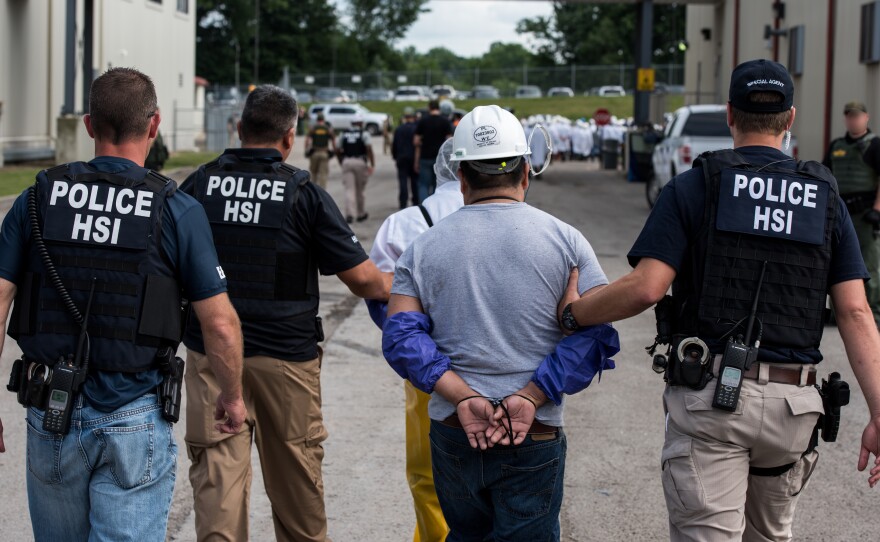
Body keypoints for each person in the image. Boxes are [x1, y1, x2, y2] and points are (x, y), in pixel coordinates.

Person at [565, 59, 880, 541]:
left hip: (713, 400)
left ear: (730, 115)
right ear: (789, 119)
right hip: (793, 409)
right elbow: (855, 311)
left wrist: (575, 312)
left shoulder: (696, 186)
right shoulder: (824, 198)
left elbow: (647, 287)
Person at [0, 67, 246, 541]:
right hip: (133, 414)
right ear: (153, 126)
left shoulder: (37, 199)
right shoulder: (176, 209)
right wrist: (232, 396)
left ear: (90, 125)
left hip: (51, 409)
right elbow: (219, 324)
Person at [382, 105, 619, 541]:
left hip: (456, 429)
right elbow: (597, 336)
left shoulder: (422, 248)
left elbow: (400, 337)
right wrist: (531, 395)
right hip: (535, 431)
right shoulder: (567, 242)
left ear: (463, 179)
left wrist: (461, 394)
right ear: (526, 173)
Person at [179, 85, 392, 542]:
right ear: (290, 137)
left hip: (212, 361)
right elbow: (365, 281)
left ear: (240, 129)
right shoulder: (303, 194)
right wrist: (409, 286)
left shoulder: (198, 185)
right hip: (286, 363)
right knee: (300, 509)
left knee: (217, 502)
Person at [367, 139, 464, 542]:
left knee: (428, 475)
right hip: (507, 369)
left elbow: (380, 300)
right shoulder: (525, 221)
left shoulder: (404, 223)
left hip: (428, 371)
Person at [824, 101, 880, 327]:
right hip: (842, 214)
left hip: (866, 214)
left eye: (856, 116)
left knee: (869, 265)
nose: (852, 120)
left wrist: (877, 209)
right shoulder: (837, 145)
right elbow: (825, 174)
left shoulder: (874, 145)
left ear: (866, 118)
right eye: (849, 116)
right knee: (838, 265)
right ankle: (839, 314)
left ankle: (874, 314)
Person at [413, 100, 453, 203]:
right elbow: (450, 141)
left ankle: (424, 208)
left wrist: (416, 160)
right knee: (437, 185)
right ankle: (435, 206)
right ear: (439, 108)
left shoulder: (423, 121)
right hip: (440, 159)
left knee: (423, 184)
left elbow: (416, 141)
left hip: (425, 157)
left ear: (429, 107)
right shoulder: (445, 121)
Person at [336, 115, 375, 223]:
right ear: (360, 123)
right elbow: (369, 148)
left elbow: (338, 148)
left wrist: (341, 160)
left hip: (347, 161)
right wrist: (372, 164)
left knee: (349, 189)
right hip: (360, 161)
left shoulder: (343, 134)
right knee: (360, 190)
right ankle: (360, 213)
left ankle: (349, 214)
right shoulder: (364, 133)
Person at [392, 107, 420, 209]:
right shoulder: (416, 128)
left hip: (401, 158)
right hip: (413, 158)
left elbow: (394, 145)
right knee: (415, 181)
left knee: (403, 181)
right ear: (413, 117)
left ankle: (403, 202)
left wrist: (395, 156)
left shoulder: (398, 129)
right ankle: (416, 201)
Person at [305, 113, 337, 189]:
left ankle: (312, 191)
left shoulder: (313, 128)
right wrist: (334, 150)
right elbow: (333, 139)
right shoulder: (327, 128)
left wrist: (306, 150)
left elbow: (307, 140)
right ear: (323, 120)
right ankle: (322, 193)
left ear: (317, 120)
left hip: (314, 153)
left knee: (314, 173)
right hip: (324, 153)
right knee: (323, 174)